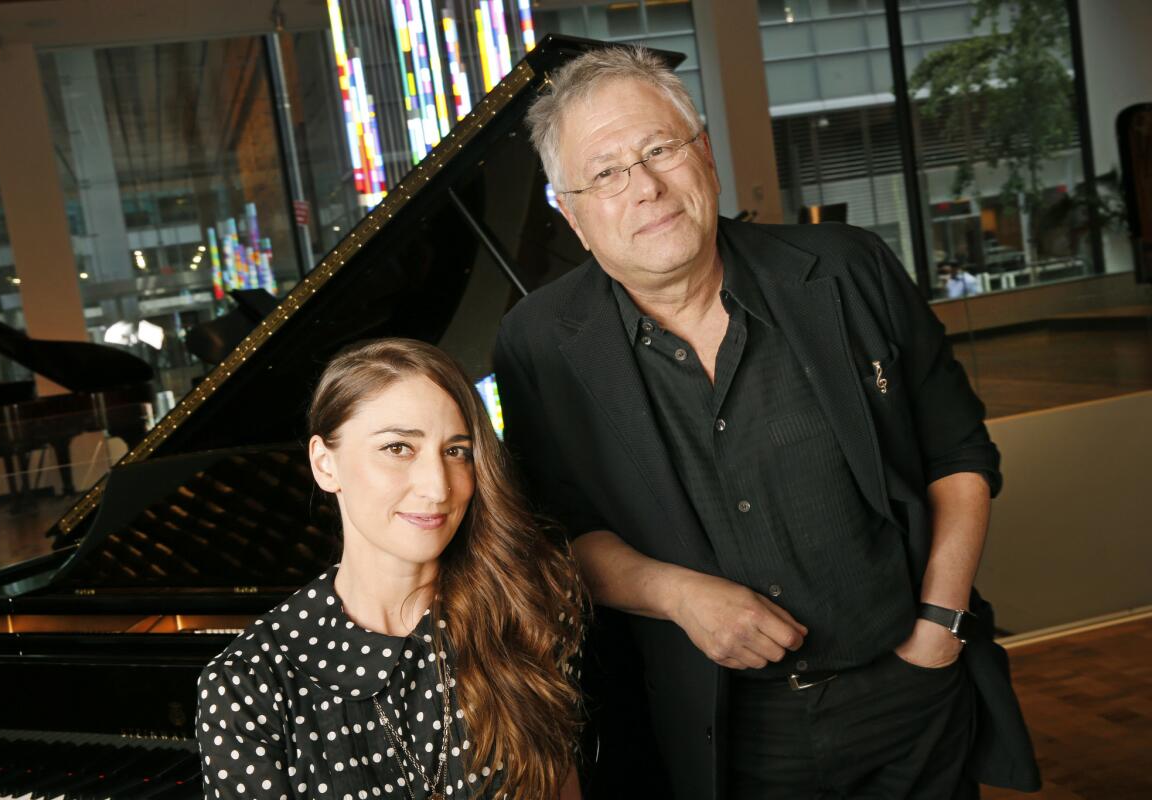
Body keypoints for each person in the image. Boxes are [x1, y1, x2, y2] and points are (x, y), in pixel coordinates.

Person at [494, 47, 1038, 798]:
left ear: (705, 155)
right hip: (715, 732)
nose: (644, 187)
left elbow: (958, 453)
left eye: (659, 149)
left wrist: (937, 631)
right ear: (572, 214)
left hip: (909, 696)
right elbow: (554, 534)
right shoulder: (537, 343)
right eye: (607, 172)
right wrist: (677, 596)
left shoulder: (850, 269)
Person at [197, 339, 585, 800]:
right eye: (398, 447)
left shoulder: (524, 607)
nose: (437, 486)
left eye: (456, 451)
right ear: (325, 464)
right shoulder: (247, 684)